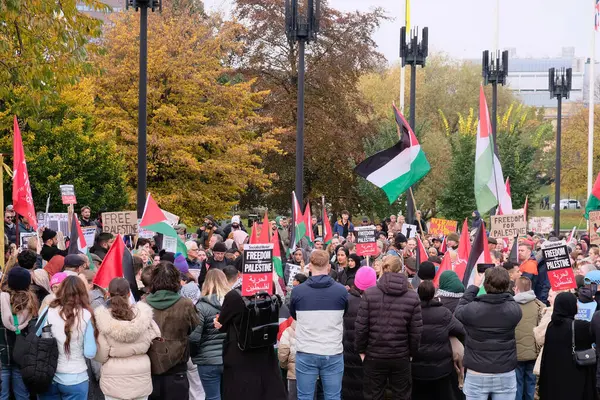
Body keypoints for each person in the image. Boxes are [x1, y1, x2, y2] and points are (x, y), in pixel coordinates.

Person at [354, 255, 423, 400]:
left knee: (373, 395)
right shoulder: (412, 297)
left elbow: (361, 327)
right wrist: (411, 353)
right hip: (400, 356)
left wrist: (361, 350)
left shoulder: (369, 294)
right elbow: (416, 331)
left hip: (375, 355)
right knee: (402, 395)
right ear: (401, 269)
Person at [454, 267, 522, 400]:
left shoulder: (473, 309)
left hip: (477, 372)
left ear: (485, 284)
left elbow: (458, 311)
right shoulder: (514, 310)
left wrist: (474, 286)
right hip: (504, 371)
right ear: (508, 285)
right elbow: (510, 299)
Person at [289, 250, 348, 400]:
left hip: (307, 350)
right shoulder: (341, 291)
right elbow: (343, 314)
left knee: (305, 397)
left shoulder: (298, 292)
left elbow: (294, 315)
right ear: (328, 267)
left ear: (309, 266)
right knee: (333, 396)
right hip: (332, 351)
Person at [215, 276, 286, 399]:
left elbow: (222, 324)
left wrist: (217, 323)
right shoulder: (269, 291)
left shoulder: (234, 296)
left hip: (240, 355)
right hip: (265, 352)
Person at [94, 278, 160, 400]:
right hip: (140, 376)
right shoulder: (143, 315)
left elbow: (101, 354)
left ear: (108, 293)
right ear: (129, 293)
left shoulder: (102, 320)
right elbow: (156, 335)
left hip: (114, 379)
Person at [145, 262, 200, 400]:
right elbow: (194, 327)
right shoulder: (186, 304)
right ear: (176, 280)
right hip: (177, 369)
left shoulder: (143, 305)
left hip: (151, 369)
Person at [38, 276, 98, 400]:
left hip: (48, 374)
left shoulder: (47, 311)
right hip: (76, 377)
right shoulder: (86, 315)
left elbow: (35, 336)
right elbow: (90, 352)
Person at [411, 280, 465, 400]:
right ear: (434, 294)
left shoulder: (413, 312)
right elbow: (460, 330)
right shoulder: (444, 313)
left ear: (418, 294)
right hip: (441, 369)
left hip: (416, 368)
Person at [541, 292, 597, 399]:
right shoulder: (580, 326)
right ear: (569, 305)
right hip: (576, 376)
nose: (578, 305)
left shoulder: (552, 326)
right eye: (576, 303)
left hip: (554, 378)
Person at [190, 269, 230, 400]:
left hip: (207, 360)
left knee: (212, 397)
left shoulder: (201, 307)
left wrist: (195, 355)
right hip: (229, 358)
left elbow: (194, 338)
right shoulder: (232, 304)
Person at [0, 267, 39, 400]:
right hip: (21, 355)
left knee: (2, 395)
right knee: (22, 394)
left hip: (2, 354)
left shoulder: (1, 300)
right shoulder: (32, 302)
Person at [342, 267, 377, 400]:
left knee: (350, 388)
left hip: (348, 354)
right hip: (370, 356)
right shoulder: (376, 302)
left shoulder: (346, 301)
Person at [513, 277, 544, 400]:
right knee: (531, 382)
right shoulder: (539, 305)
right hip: (533, 352)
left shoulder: (511, 305)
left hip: (516, 352)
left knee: (517, 383)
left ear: (516, 288)